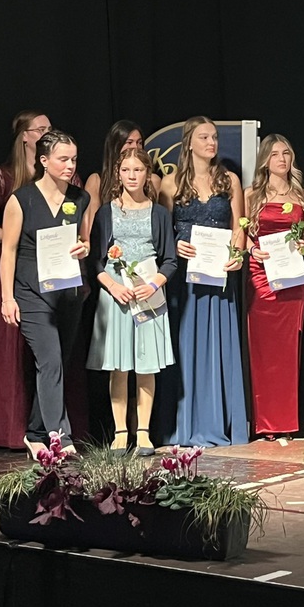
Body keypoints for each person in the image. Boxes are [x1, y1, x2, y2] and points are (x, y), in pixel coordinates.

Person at [0, 130, 91, 458]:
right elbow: (8, 250)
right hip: (32, 292)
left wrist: (84, 248)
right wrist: (7, 298)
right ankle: (59, 438)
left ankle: (35, 432)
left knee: (56, 366)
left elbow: (85, 240)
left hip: (67, 292)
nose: (70, 165)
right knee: (50, 360)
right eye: (63, 159)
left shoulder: (80, 198)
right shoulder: (21, 199)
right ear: (43, 160)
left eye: (74, 159)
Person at [157, 116, 248, 447]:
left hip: (220, 276)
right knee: (186, 346)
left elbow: (239, 227)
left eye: (214, 137)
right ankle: (185, 423)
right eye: (204, 137)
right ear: (189, 143)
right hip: (185, 281)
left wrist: (237, 255)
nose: (212, 143)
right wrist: (175, 244)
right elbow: (162, 232)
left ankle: (219, 421)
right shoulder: (170, 183)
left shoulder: (230, 180)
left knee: (220, 347)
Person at [87, 149, 176, 456]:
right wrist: (113, 286)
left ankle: (144, 433)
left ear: (147, 173)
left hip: (147, 294)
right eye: (126, 170)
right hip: (117, 294)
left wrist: (153, 285)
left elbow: (170, 260)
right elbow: (94, 261)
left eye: (138, 170)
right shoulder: (106, 212)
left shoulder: (159, 213)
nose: (132, 175)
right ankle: (120, 432)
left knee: (146, 364)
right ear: (118, 174)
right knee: (119, 366)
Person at [0, 110, 52, 449]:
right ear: (25, 136)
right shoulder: (4, 175)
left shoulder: (60, 174)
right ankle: (10, 429)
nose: (47, 133)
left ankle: (51, 427)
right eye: (41, 129)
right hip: (11, 265)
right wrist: (18, 239)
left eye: (50, 128)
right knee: (11, 344)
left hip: (49, 266)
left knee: (49, 348)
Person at [245, 134, 304, 441]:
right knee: (263, 352)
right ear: (265, 160)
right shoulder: (251, 195)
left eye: (286, 153)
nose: (282, 159)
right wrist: (251, 249)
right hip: (260, 276)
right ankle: (264, 422)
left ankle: (285, 420)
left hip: (291, 279)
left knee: (288, 352)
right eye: (275, 154)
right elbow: (242, 234)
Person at [84, 120, 161, 235]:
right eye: (129, 142)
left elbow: (161, 224)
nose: (135, 147)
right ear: (115, 146)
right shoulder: (97, 181)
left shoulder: (153, 180)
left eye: (139, 143)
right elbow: (90, 229)